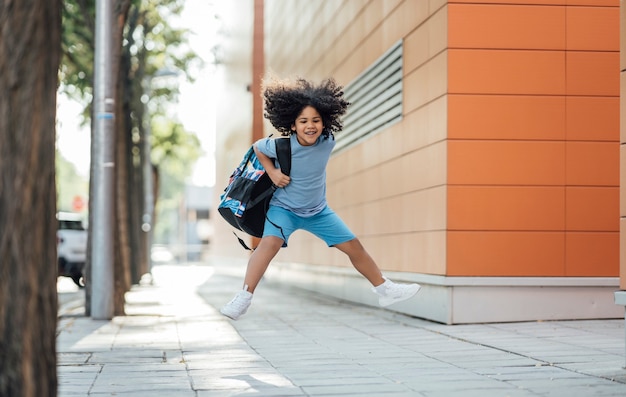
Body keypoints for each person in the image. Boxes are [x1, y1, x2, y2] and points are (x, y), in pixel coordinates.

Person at [220, 77, 421, 320]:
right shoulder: (281, 146)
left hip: (318, 211)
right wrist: (272, 173)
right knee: (268, 245)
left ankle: (384, 289)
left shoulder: (327, 141)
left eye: (316, 120)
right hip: (284, 209)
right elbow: (257, 147)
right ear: (292, 125)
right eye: (303, 121)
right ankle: (244, 297)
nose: (310, 126)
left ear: (324, 121)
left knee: (354, 246)